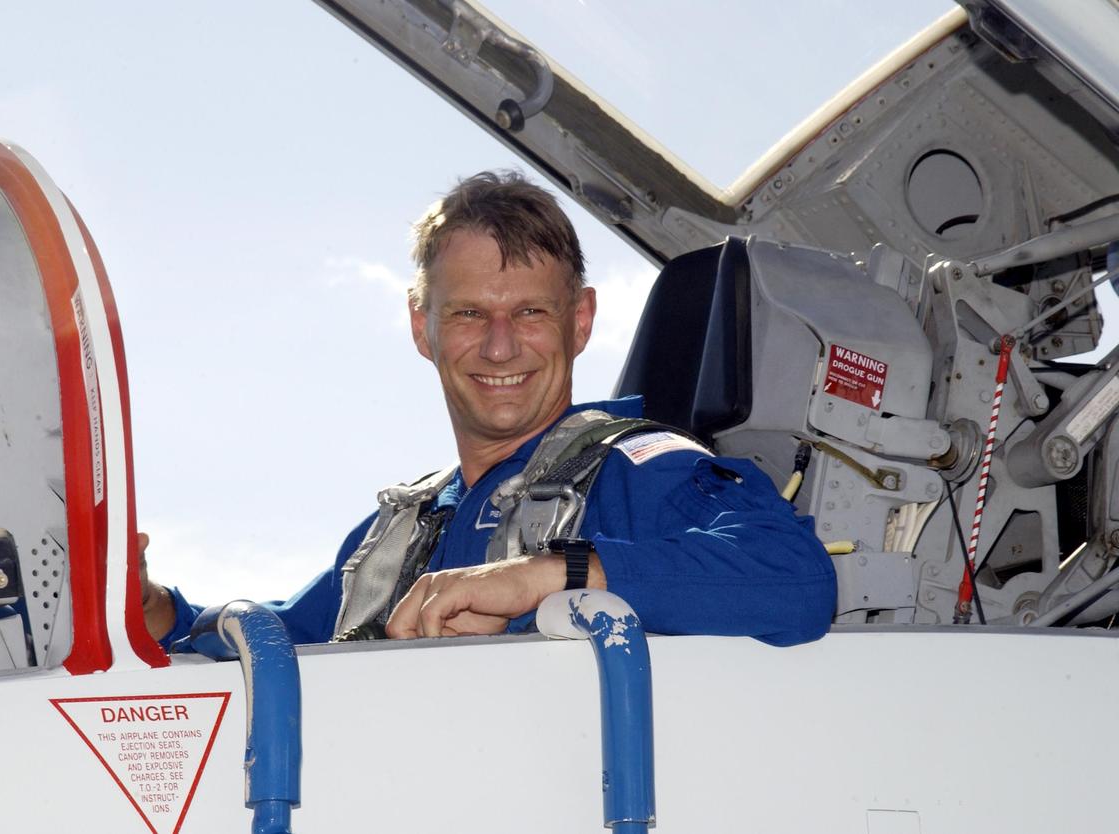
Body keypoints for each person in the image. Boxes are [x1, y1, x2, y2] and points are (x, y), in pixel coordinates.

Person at [142, 171, 835, 648]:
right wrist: (156, 611)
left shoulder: (640, 475)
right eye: (470, 313)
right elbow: (284, 643)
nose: (500, 348)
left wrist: (547, 576)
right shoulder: (396, 535)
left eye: (530, 311)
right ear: (423, 327)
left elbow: (795, 577)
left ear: (581, 321)